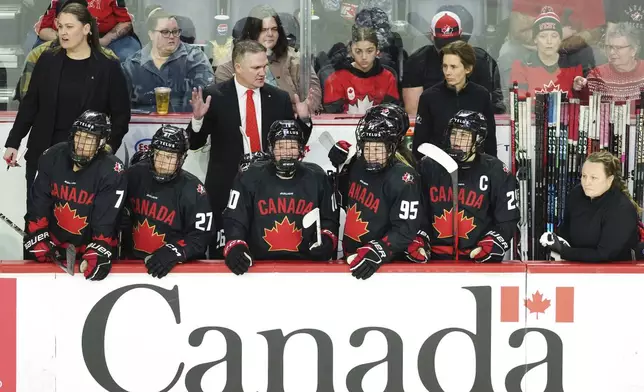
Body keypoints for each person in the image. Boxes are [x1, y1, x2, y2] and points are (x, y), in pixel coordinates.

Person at [187, 39, 313, 258]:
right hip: (225, 190)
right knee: (224, 258)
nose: (263, 72)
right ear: (238, 67)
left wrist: (303, 121)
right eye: (256, 67)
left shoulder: (279, 98)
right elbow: (195, 143)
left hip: (267, 193)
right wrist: (197, 120)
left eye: (264, 66)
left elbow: (291, 145)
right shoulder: (214, 96)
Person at [4, 2, 130, 217]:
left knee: (78, 223)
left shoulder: (108, 67)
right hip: (43, 153)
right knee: (37, 219)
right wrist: (14, 142)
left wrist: (107, 148)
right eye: (60, 26)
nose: (62, 32)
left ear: (87, 28)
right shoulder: (46, 60)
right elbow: (30, 104)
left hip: (87, 159)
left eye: (69, 27)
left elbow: (121, 115)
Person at [222, 120, 338, 274]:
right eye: (281, 147)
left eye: (292, 147)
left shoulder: (317, 177)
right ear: (271, 149)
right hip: (259, 266)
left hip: (306, 267)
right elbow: (235, 218)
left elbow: (329, 220)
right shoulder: (250, 176)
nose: (286, 153)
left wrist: (327, 240)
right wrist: (235, 245)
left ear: (300, 149)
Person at [23, 110, 126, 281]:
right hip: (53, 243)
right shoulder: (52, 156)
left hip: (88, 245)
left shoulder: (112, 170)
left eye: (89, 139)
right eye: (79, 136)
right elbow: (38, 203)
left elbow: (106, 219)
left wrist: (99, 249)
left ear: (101, 142)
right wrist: (36, 236)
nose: (81, 143)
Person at [327, 104, 424, 280]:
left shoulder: (405, 177)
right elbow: (341, 199)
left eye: (378, 148)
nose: (371, 154)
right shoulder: (358, 162)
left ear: (393, 145)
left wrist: (380, 249)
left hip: (383, 265)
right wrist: (339, 166)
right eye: (367, 146)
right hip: (350, 257)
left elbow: (405, 229)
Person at [417, 110, 520, 262]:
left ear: (477, 140)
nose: (457, 141)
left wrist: (492, 243)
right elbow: (415, 212)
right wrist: (418, 239)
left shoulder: (496, 171)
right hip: (433, 258)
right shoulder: (429, 166)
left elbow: (507, 219)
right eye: (454, 134)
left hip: (478, 258)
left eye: (464, 136)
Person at [123, 125, 213, 278]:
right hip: (132, 265)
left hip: (175, 269)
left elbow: (201, 235)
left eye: (170, 157)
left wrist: (175, 251)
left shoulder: (193, 189)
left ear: (181, 158)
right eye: (159, 155)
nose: (162, 162)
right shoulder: (134, 175)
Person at [215, 5, 322, 114]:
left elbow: (313, 95)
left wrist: (301, 109)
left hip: (290, 123)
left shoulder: (295, 58)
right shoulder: (230, 65)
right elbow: (230, 107)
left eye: (274, 29)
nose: (270, 34)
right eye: (264, 30)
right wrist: (288, 108)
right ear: (252, 32)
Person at [402, 8, 504, 116]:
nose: (447, 49)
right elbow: (414, 111)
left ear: (461, 35)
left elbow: (490, 105)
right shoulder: (416, 62)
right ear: (431, 36)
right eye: (442, 44)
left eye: (452, 44)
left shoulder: (481, 60)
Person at [542, 151, 639, 262]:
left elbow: (603, 255)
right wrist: (555, 241)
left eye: (594, 178)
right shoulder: (577, 194)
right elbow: (566, 231)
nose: (587, 182)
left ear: (610, 180)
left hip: (617, 274)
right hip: (577, 267)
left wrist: (563, 251)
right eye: (584, 176)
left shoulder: (622, 209)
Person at [412, 40, 497, 160]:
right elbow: (420, 143)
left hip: (474, 167)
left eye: (453, 67)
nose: (447, 72)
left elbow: (489, 140)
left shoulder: (481, 95)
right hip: (438, 167)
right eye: (445, 66)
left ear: (468, 69)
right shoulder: (428, 97)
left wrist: (491, 168)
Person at [121, 10, 214, 113]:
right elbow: (121, 105)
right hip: (143, 126)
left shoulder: (195, 59)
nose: (171, 36)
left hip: (185, 124)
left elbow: (205, 98)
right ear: (151, 34)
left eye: (175, 31)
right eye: (165, 32)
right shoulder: (133, 64)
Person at [509, 8, 583, 100]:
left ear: (560, 39)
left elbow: (582, 104)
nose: (549, 41)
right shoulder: (521, 66)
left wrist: (579, 89)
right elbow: (519, 104)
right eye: (543, 36)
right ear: (535, 39)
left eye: (554, 36)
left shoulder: (573, 65)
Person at [323, 26, 400, 114]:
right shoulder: (335, 79)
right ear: (351, 51)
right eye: (358, 51)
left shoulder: (388, 78)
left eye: (369, 51)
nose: (364, 57)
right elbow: (332, 119)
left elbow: (391, 114)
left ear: (377, 51)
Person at [36, 0, 141, 61]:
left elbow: (126, 22)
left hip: (106, 37)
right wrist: (68, 38)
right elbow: (43, 30)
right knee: (39, 56)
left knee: (128, 57)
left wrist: (106, 39)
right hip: (65, 36)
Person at [573, 23, 644, 104]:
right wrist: (580, 88)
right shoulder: (597, 75)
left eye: (618, 48)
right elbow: (586, 105)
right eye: (610, 47)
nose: (612, 52)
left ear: (633, 50)